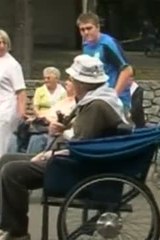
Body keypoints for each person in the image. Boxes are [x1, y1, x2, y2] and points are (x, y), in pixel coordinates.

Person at [0, 55, 127, 240]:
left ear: (82, 83)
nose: (70, 82)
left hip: (76, 167)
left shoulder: (96, 105)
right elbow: (84, 135)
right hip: (82, 160)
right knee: (7, 159)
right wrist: (65, 129)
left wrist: (48, 154)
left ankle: (17, 232)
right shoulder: (101, 99)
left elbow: (80, 145)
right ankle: (10, 226)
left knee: (12, 171)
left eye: (73, 79)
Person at [76, 12, 134, 110]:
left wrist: (114, 95)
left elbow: (127, 70)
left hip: (115, 99)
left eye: (89, 28)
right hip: (96, 98)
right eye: (82, 29)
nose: (86, 32)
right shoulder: (85, 45)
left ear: (98, 27)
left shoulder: (107, 44)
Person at [0, 29, 27, 158]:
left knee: (3, 143)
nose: (1, 45)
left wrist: (21, 112)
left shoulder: (12, 65)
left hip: (6, 109)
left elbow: (21, 91)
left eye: (3, 42)